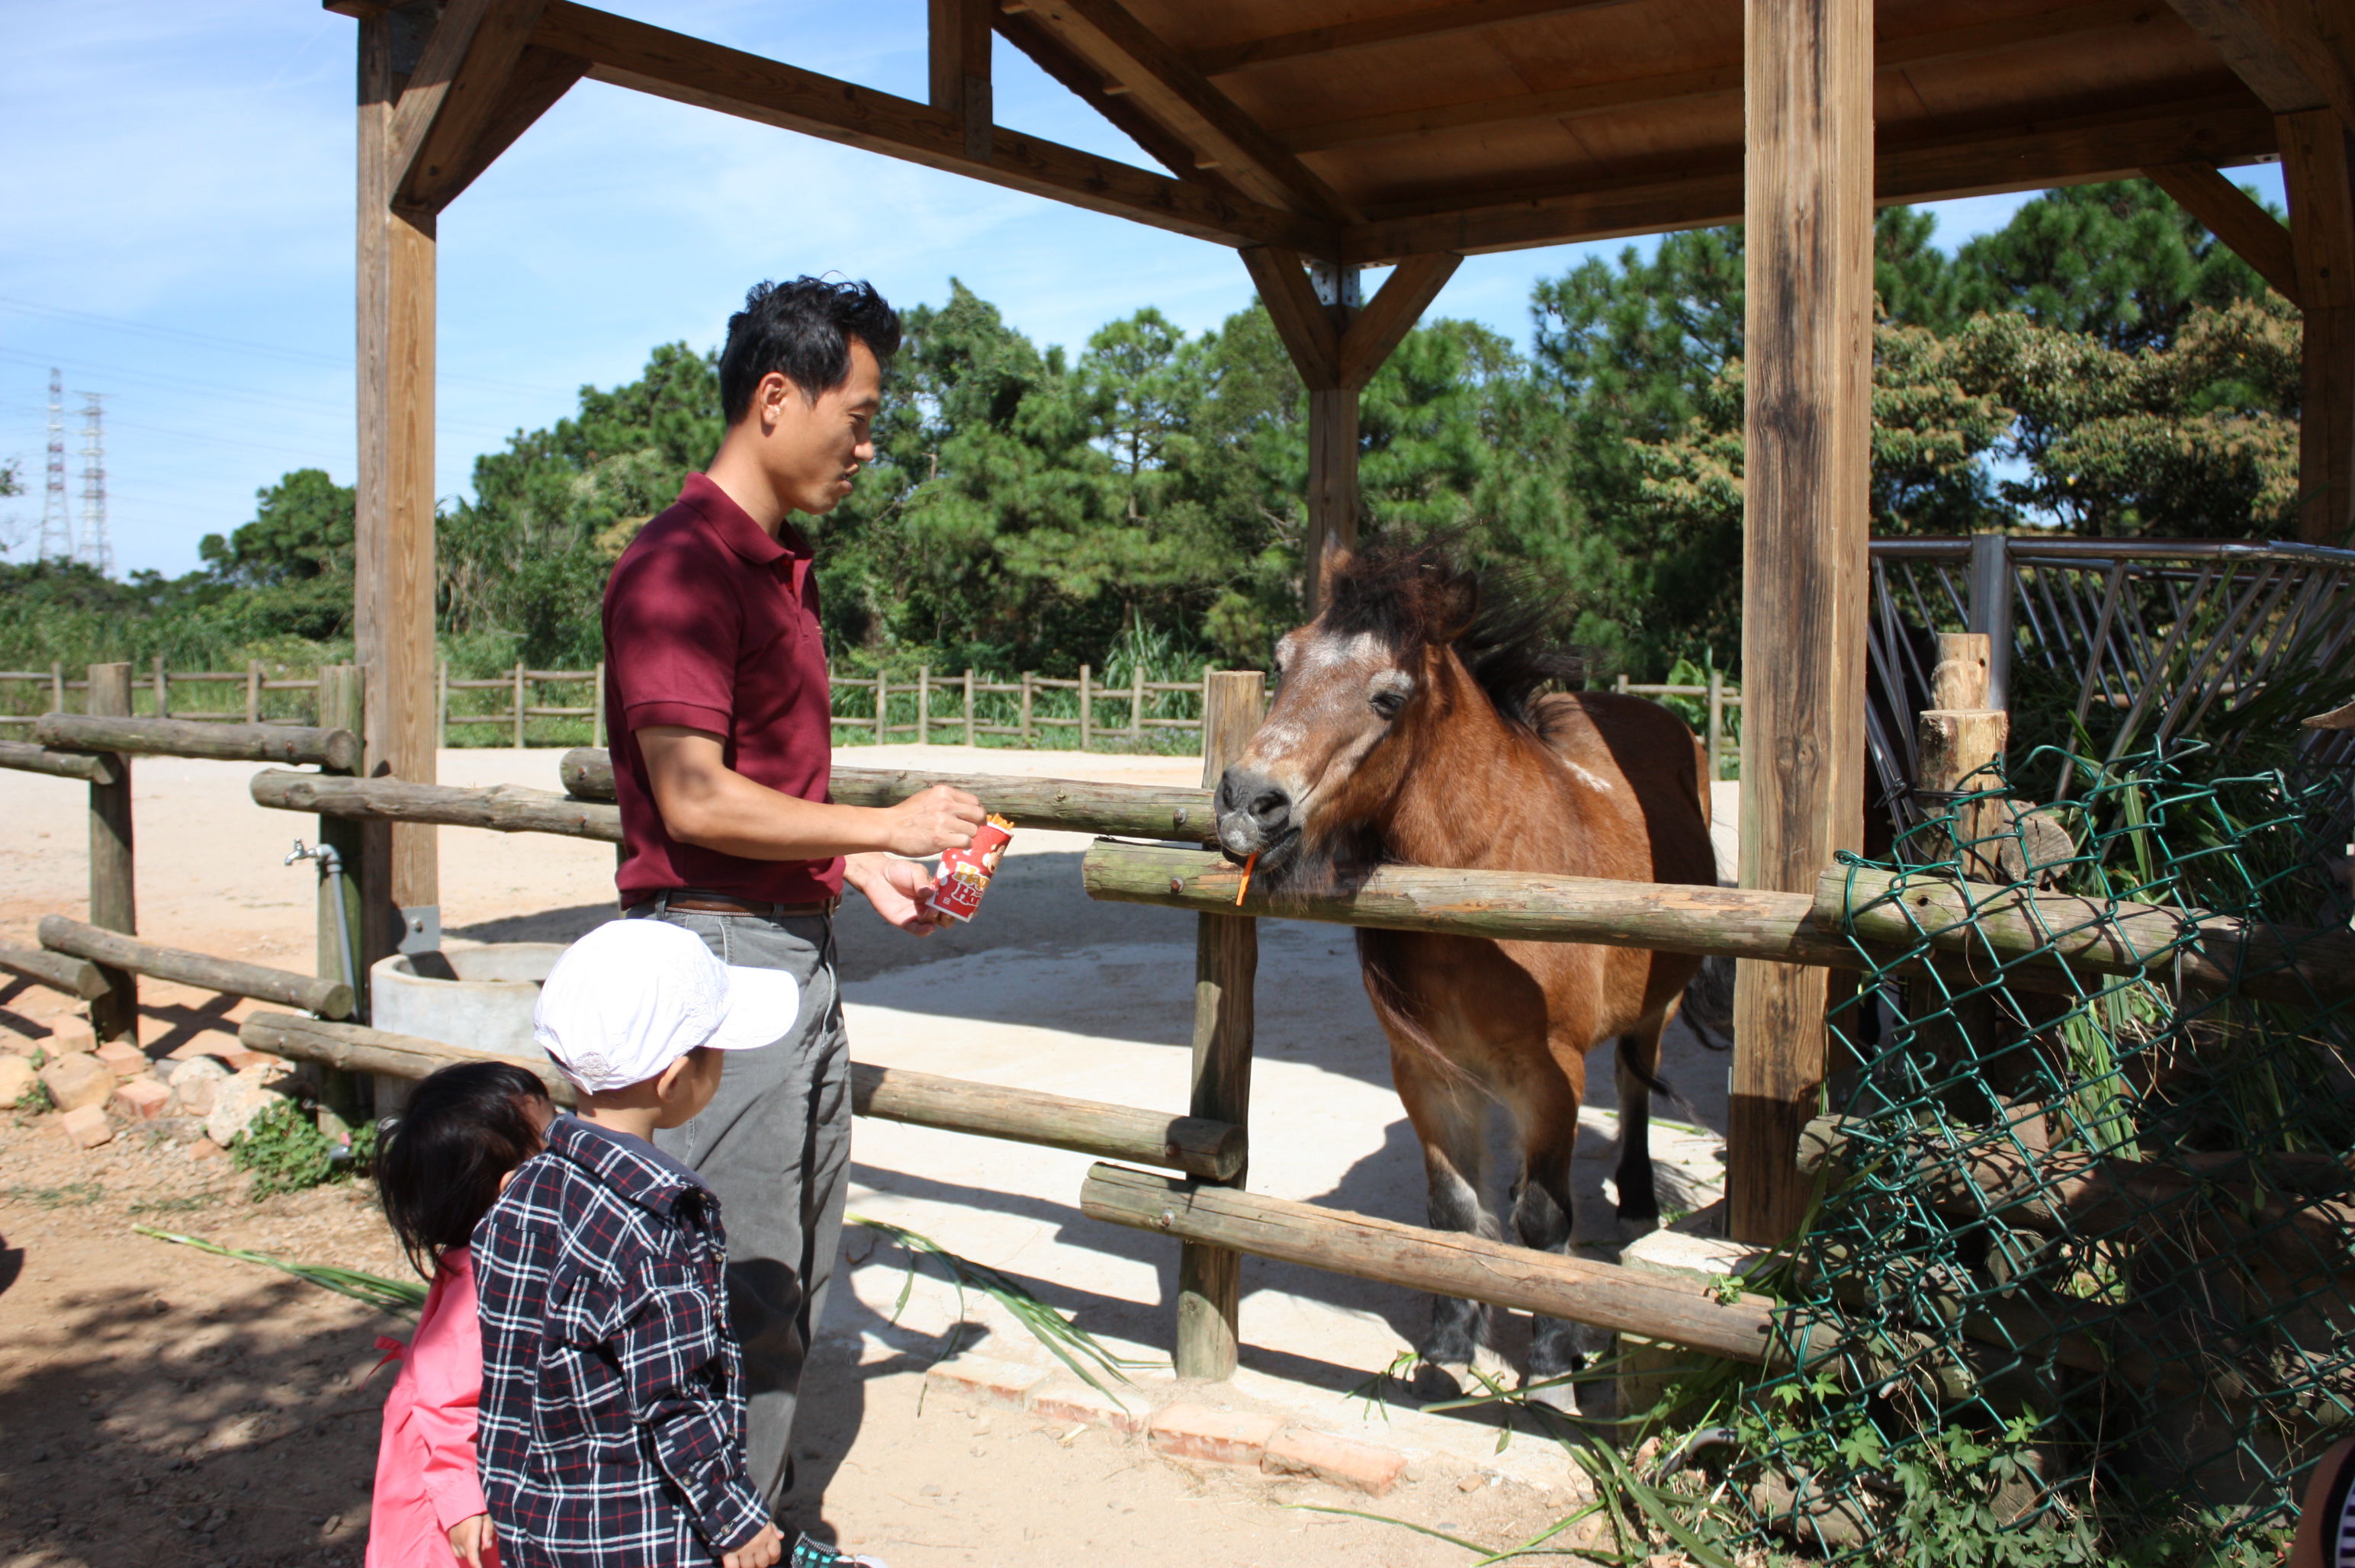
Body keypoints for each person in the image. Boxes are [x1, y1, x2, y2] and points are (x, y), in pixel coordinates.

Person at [600, 275, 985, 1509]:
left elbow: (747, 805)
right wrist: (884, 817)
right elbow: (693, 800)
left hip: (786, 952)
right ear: (778, 396)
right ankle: (700, 1532)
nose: (868, 448)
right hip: (717, 969)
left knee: (787, 1278)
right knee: (729, 1289)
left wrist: (847, 864)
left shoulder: (776, 573)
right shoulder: (679, 568)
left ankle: (751, 1523)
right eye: (859, 416)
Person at [473, 919, 802, 1568]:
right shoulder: (657, 1225)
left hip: (539, 1519)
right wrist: (733, 1515)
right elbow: (673, 1394)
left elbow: (506, 1361)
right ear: (676, 1080)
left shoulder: (523, 1189)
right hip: (642, 1529)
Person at [367, 1059, 555, 1568]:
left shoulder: (490, 1256)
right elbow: (445, 1401)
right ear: (511, 1184)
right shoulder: (481, 1282)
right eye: (552, 1142)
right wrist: (461, 1499)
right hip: (454, 1509)